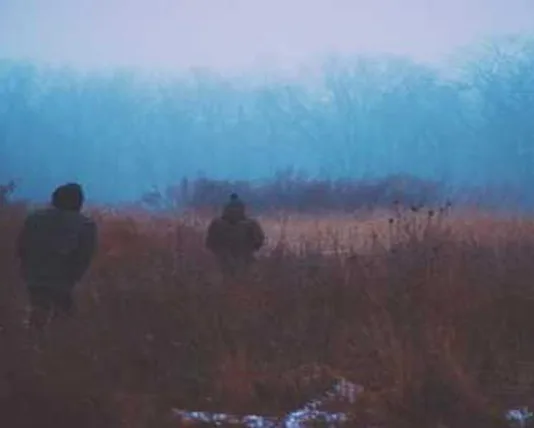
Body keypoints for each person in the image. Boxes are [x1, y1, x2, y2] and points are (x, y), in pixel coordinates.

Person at [16, 183, 97, 330]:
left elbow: (22, 248)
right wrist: (74, 277)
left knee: (38, 312)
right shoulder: (85, 225)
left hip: (34, 277)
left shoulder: (34, 219)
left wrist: (27, 270)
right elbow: (84, 256)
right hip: (63, 281)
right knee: (64, 320)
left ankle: (33, 337)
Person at [205, 193, 265, 277]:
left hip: (223, 258)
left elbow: (209, 242)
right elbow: (259, 240)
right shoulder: (250, 224)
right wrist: (251, 249)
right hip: (244, 257)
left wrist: (217, 251)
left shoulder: (217, 224)